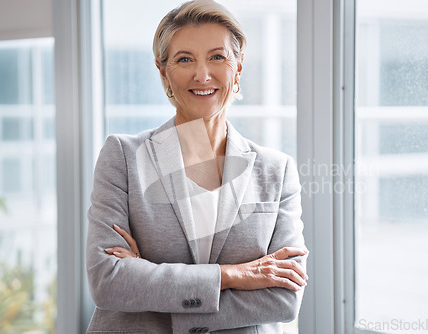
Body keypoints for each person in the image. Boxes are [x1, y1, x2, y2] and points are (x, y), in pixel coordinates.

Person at [85, 0, 308, 333]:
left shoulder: (276, 170)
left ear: (239, 67)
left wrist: (148, 282)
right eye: (184, 59)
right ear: (163, 70)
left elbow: (283, 298)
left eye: (217, 57)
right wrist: (234, 275)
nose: (202, 75)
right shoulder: (123, 156)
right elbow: (108, 281)